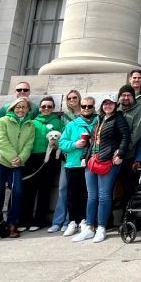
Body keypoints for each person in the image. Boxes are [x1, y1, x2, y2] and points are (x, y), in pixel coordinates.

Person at [72, 96, 130, 243]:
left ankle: (102, 228)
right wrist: (84, 156)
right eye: (105, 104)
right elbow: (92, 141)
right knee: (91, 196)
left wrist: (121, 153)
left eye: (110, 104)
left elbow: (125, 137)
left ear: (115, 105)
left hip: (108, 160)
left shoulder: (119, 118)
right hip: (93, 159)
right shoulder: (99, 119)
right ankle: (89, 227)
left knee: (104, 195)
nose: (108, 106)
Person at [0, 97, 35, 241]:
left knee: (17, 193)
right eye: (18, 107)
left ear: (28, 109)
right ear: (12, 108)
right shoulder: (3, 121)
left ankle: (12, 224)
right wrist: (13, 157)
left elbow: (29, 144)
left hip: (17, 164)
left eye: (24, 107)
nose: (21, 110)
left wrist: (21, 158)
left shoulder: (30, 125)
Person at [20, 96, 63, 231]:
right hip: (32, 158)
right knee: (29, 190)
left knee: (45, 190)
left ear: (53, 108)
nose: (46, 109)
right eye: (44, 106)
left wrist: (56, 146)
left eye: (49, 106)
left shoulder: (58, 122)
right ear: (39, 108)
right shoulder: (32, 122)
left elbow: (61, 138)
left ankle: (39, 220)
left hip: (49, 158)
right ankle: (24, 220)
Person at [58, 96, 97, 237]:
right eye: (84, 106)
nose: (86, 109)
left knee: (88, 194)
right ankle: (73, 221)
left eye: (89, 106)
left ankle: (85, 220)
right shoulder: (72, 125)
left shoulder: (98, 122)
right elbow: (62, 143)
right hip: (73, 163)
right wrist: (75, 144)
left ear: (94, 108)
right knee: (72, 194)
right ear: (80, 108)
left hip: (91, 163)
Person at [49, 89, 81, 233]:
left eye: (75, 97)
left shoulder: (87, 115)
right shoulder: (64, 117)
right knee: (63, 188)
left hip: (81, 158)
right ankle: (58, 220)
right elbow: (61, 137)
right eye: (69, 98)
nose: (72, 100)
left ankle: (70, 220)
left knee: (77, 191)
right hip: (66, 157)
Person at [117, 84, 141, 220]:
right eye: (123, 95)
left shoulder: (138, 110)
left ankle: (128, 217)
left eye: (129, 95)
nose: (126, 98)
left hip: (130, 155)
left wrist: (122, 151)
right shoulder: (115, 110)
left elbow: (136, 134)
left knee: (128, 187)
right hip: (113, 156)